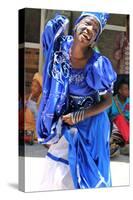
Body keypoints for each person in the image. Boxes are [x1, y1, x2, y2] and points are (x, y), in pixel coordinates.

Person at [37, 12, 116, 190]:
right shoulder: (60, 49)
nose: (90, 30)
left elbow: (108, 101)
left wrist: (81, 115)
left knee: (87, 177)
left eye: (95, 30)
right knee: (59, 169)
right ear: (77, 24)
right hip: (68, 119)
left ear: (95, 38)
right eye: (88, 24)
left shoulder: (97, 64)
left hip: (92, 124)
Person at [108, 79, 129, 157]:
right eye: (126, 89)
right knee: (119, 118)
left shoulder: (130, 101)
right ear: (120, 91)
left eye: (129, 89)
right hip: (116, 130)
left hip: (128, 128)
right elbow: (106, 117)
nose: (128, 91)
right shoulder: (111, 101)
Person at [113, 15, 129, 94]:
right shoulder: (120, 35)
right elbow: (116, 57)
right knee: (116, 94)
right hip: (121, 73)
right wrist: (122, 48)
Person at [24, 72, 42, 144]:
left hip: (36, 131)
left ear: (41, 89)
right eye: (32, 85)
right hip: (26, 127)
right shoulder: (28, 97)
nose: (32, 88)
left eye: (35, 86)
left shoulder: (43, 102)